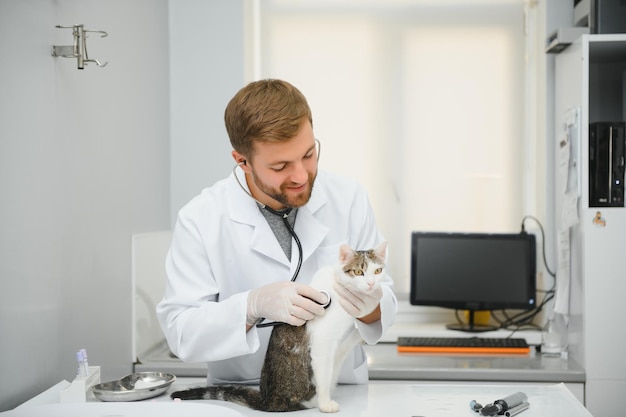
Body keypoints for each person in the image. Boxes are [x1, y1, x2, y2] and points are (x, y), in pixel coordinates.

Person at [156, 79, 397, 385]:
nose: (301, 176)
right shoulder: (201, 218)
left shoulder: (348, 198)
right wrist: (251, 306)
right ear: (242, 161)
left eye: (309, 155)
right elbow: (181, 331)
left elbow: (383, 305)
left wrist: (369, 305)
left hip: (337, 392)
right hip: (244, 394)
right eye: (281, 166)